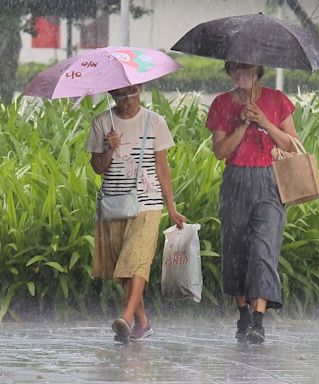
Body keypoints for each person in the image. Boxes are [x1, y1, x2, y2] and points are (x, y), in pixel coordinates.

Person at [205, 61, 298, 344]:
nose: (240, 74)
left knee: (263, 248)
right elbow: (220, 151)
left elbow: (291, 144)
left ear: (258, 70)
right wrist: (244, 124)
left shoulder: (277, 100)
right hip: (236, 181)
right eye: (234, 69)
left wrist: (264, 122)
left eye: (246, 69)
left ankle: (258, 320)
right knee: (236, 249)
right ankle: (243, 313)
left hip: (269, 181)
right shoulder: (221, 104)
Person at [86, 84, 185, 343]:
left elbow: (163, 169)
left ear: (140, 89)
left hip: (148, 203)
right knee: (124, 268)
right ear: (112, 96)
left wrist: (171, 207)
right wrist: (109, 148)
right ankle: (143, 323)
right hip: (114, 203)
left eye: (131, 94)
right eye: (120, 95)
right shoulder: (101, 123)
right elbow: (97, 167)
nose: (127, 100)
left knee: (137, 260)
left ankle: (126, 318)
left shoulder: (154, 122)